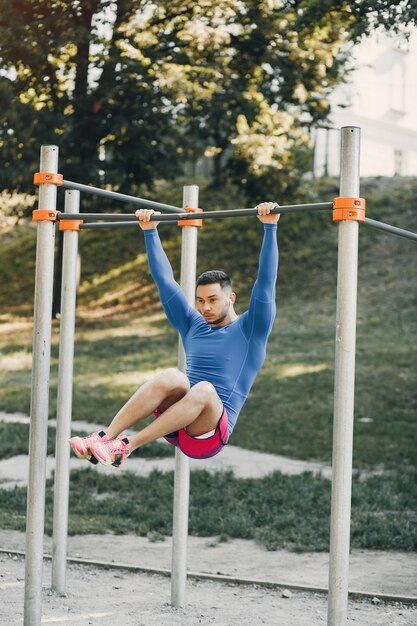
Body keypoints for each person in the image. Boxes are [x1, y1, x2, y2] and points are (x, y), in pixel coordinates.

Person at [69, 202, 280, 467]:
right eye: (200, 300)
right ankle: (104, 437)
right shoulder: (193, 324)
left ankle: (126, 446)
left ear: (232, 298)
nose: (205, 307)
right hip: (175, 422)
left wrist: (270, 228)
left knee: (203, 388)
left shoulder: (251, 329)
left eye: (213, 300)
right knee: (173, 376)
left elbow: (265, 283)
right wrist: (150, 231)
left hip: (207, 434)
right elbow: (165, 282)